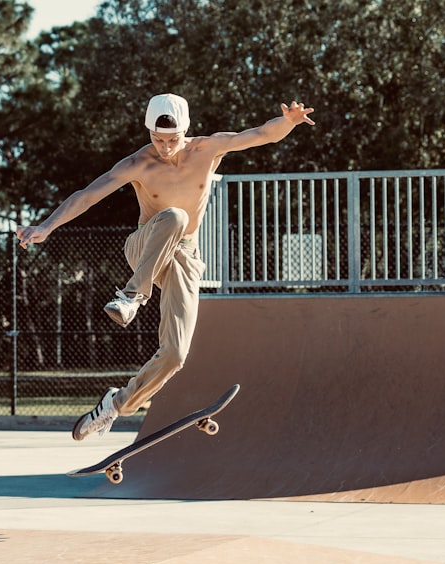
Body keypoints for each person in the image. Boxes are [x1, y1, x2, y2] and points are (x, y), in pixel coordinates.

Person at [16, 93, 315, 441]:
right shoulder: (138, 164)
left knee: (175, 354)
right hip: (145, 247)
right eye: (157, 139)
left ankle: (117, 404)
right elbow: (86, 195)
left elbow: (260, 134)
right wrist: (45, 227)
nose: (164, 147)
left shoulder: (208, 148)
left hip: (185, 258)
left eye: (171, 140)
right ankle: (131, 297)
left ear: (185, 131)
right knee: (174, 216)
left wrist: (289, 122)